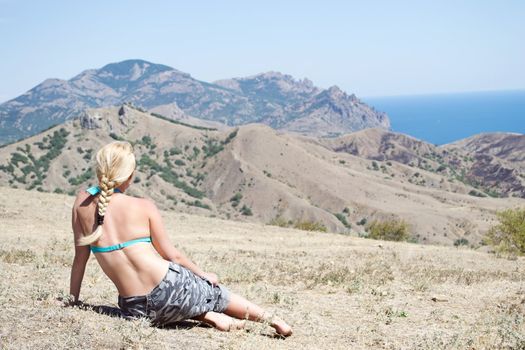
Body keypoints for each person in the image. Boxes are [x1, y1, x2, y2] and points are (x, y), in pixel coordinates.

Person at [69, 141, 292, 336]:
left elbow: (81, 259)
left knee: (175, 301)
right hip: (169, 289)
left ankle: (210, 317)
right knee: (214, 294)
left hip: (135, 309)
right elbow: (171, 255)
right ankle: (274, 320)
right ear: (129, 175)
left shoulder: (81, 203)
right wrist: (204, 276)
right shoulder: (143, 206)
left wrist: (74, 299)